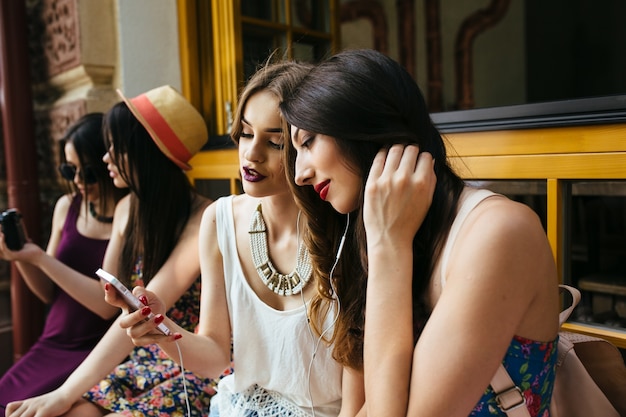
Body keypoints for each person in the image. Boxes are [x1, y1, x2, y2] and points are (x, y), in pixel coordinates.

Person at [281, 48, 561, 417]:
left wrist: (388, 248)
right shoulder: (379, 233)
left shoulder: (498, 233)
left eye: (308, 141)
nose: (300, 173)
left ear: (360, 124)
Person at [115, 61, 364, 416]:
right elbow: (216, 357)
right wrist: (160, 329)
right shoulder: (219, 220)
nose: (251, 153)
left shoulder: (347, 233)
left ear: (308, 146)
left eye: (275, 142)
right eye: (246, 133)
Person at [6, 85, 220, 417]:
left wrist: (63, 393)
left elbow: (147, 310)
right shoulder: (128, 209)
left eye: (116, 147)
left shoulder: (204, 218)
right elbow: (108, 305)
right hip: (141, 360)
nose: (106, 158)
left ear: (145, 153)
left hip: (190, 364)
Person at [0, 113, 127, 410]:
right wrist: (22, 259)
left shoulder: (127, 215)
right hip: (52, 341)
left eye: (90, 172)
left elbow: (104, 303)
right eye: (71, 171)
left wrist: (40, 258)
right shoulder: (67, 207)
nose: (80, 182)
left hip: (93, 352)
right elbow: (49, 293)